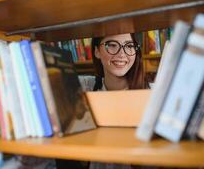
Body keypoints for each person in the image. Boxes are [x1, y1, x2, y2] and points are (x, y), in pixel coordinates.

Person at [56, 33, 147, 169]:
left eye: (129, 46)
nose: (122, 54)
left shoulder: (152, 92)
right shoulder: (84, 86)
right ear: (97, 51)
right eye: (112, 45)